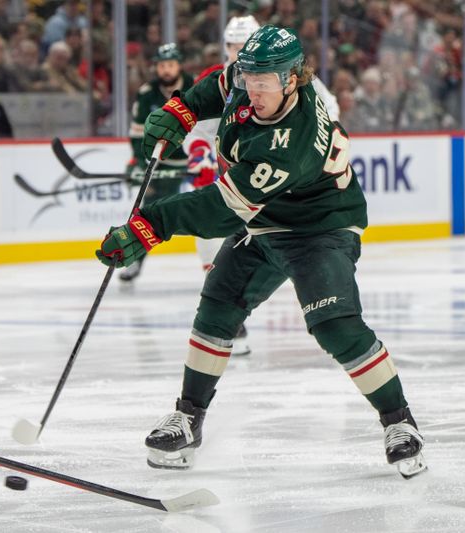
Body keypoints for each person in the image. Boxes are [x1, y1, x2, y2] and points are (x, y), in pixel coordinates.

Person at [96, 26, 427, 478]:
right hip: (265, 218)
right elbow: (217, 84)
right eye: (249, 78)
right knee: (216, 308)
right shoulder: (250, 80)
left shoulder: (291, 139)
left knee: (334, 326)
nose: (253, 90)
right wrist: (182, 110)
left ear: (292, 79)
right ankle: (189, 418)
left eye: (264, 82)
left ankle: (399, 421)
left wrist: (152, 224)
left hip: (319, 227)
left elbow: (221, 211)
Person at [180, 15, 340, 356]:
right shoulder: (218, 80)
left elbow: (329, 108)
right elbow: (196, 126)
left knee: (278, 242)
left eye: (244, 45)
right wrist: (199, 154)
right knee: (212, 233)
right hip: (234, 171)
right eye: (233, 47)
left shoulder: (287, 71)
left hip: (274, 173)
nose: (239, 54)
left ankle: (326, 308)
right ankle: (231, 320)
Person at [123, 42, 194, 282]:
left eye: (170, 65)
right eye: (162, 65)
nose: (166, 70)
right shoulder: (147, 94)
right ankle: (135, 261)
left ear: (179, 65)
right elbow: (136, 134)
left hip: (199, 161)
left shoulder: (196, 88)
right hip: (162, 165)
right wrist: (141, 166)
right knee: (148, 214)